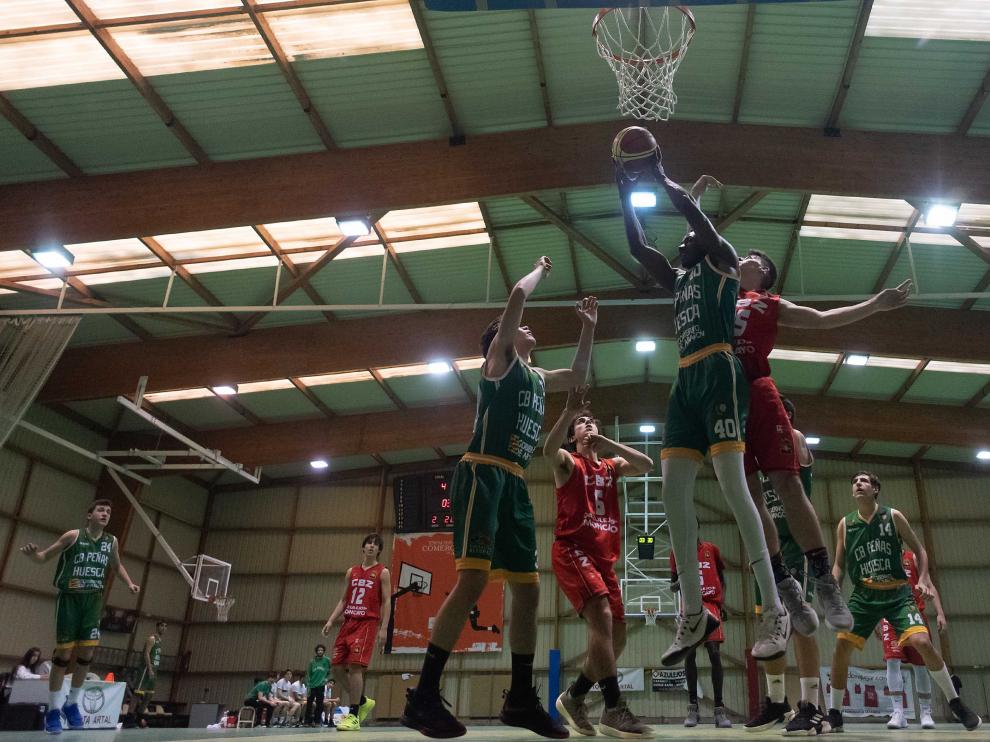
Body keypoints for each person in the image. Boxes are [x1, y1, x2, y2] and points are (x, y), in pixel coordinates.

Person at [400, 257, 597, 739]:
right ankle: (423, 695)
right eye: (519, 327)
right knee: (472, 582)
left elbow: (577, 375)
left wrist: (589, 329)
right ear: (501, 342)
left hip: (515, 483)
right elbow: (516, 297)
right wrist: (539, 270)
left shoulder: (536, 375)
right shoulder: (499, 363)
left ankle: (522, 699)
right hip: (483, 474)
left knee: (528, 591)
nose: (527, 327)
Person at [617, 160, 789, 666]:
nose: (678, 244)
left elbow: (697, 221)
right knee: (673, 498)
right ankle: (693, 613)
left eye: (687, 238)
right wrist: (622, 186)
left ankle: (773, 607)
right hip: (685, 380)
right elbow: (636, 247)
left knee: (735, 491)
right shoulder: (680, 278)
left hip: (719, 370)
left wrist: (661, 173)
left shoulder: (723, 260)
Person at [732, 225, 911, 635]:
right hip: (723, 397)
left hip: (758, 391)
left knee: (788, 484)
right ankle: (783, 583)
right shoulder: (718, 292)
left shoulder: (770, 302)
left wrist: (874, 305)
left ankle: (823, 579)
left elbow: (824, 320)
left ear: (762, 274)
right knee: (749, 498)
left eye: (754, 260)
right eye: (744, 256)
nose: (745, 259)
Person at [827, 471, 981, 732]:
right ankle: (835, 712)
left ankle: (955, 703)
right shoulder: (845, 524)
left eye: (864, 481)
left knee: (922, 642)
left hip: (897, 593)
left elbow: (920, 550)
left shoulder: (893, 516)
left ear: (876, 489)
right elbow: (839, 565)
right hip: (864, 596)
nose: (858, 484)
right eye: (854, 482)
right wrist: (832, 594)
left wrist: (922, 579)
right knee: (842, 647)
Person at [546, 387, 654, 738]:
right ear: (572, 435)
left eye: (591, 421)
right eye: (581, 423)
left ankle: (574, 696)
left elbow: (647, 464)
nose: (587, 424)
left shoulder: (611, 466)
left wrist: (607, 440)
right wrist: (567, 413)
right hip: (572, 549)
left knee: (616, 639)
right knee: (602, 619)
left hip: (604, 560)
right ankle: (613, 707)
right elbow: (547, 450)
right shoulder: (567, 461)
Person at [19, 499, 140, 735]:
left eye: (108, 511)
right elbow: (44, 557)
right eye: (101, 510)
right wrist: (34, 555)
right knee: (63, 654)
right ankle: (53, 710)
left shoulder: (111, 542)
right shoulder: (72, 536)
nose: (105, 513)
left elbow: (116, 566)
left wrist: (129, 583)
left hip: (93, 600)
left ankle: (71, 703)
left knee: (87, 654)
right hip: (70, 599)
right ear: (89, 515)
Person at [745, 399, 829, 735]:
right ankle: (777, 702)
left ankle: (812, 707)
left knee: (800, 623)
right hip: (767, 553)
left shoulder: (793, 437)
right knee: (770, 625)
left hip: (795, 548)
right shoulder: (758, 457)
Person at [323, 533, 392, 732]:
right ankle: (362, 701)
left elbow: (387, 601)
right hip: (348, 622)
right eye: (368, 543)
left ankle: (353, 716)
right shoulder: (351, 572)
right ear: (363, 548)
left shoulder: (382, 572)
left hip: (367, 623)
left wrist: (384, 629)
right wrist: (330, 619)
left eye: (376, 544)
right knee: (336, 668)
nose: (371, 546)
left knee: (355, 667)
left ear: (379, 550)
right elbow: (344, 600)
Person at [877, 548, 947, 730]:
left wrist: (940, 613)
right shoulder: (880, 560)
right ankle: (898, 712)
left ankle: (925, 712)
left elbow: (929, 585)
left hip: (914, 615)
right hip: (890, 616)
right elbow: (876, 591)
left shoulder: (913, 557)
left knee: (920, 665)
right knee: (892, 662)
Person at [670, 536, 730, 729]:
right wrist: (678, 583)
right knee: (689, 653)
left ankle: (719, 709)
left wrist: (723, 603)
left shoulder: (711, 549)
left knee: (714, 652)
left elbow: (722, 578)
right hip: (689, 605)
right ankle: (693, 708)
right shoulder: (676, 551)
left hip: (711, 603)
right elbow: (673, 584)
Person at [135, 621, 166, 715]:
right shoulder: (152, 638)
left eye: (165, 626)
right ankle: (129, 717)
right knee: (138, 693)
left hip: (154, 670)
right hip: (146, 669)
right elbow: (146, 653)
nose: (164, 628)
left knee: (149, 695)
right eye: (161, 625)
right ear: (157, 627)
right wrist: (150, 668)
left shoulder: (160, 641)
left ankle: (139, 717)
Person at [304, 644, 331, 727]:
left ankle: (317, 722)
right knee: (309, 704)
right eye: (318, 650)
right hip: (312, 685)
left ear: (323, 651)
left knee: (319, 704)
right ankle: (307, 722)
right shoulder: (312, 661)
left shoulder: (327, 660)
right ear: (316, 651)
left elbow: (330, 670)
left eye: (321, 650)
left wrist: (326, 678)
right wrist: (308, 684)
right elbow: (308, 673)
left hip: (321, 685)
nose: (320, 651)